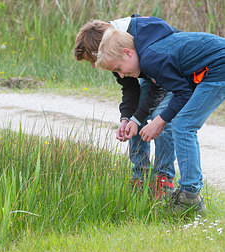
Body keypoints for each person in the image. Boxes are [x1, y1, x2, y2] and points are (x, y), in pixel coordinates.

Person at [95, 16, 225, 213]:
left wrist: (159, 121)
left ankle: (190, 197)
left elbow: (183, 93)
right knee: (182, 123)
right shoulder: (147, 57)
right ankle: (189, 193)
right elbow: (176, 88)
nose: (121, 75)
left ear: (128, 53)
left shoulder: (151, 58)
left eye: (118, 69)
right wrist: (136, 118)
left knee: (184, 125)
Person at [74, 16, 194, 199]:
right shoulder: (113, 50)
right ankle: (140, 177)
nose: (93, 65)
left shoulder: (142, 37)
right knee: (134, 119)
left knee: (162, 117)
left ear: (102, 49)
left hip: (174, 75)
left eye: (92, 59)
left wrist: (138, 118)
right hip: (152, 77)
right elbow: (130, 88)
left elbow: (159, 85)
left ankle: (163, 178)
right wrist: (127, 118)